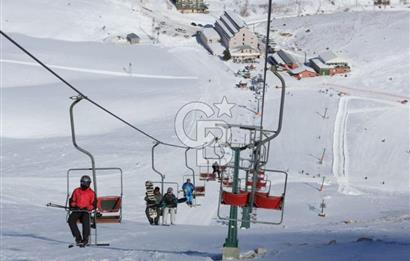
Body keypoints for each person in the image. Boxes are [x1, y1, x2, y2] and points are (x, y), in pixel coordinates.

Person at [68, 175, 95, 246]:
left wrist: (88, 208)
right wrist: (74, 206)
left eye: (86, 183)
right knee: (71, 220)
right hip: (77, 210)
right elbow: (72, 201)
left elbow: (94, 204)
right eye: (83, 183)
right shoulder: (76, 191)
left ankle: (85, 239)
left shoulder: (91, 193)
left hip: (85, 211)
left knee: (86, 221)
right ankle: (78, 237)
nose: (84, 185)